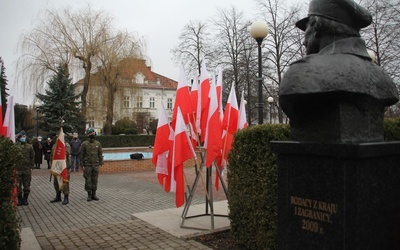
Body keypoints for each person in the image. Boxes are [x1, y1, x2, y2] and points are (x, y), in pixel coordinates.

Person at [279, 0, 398, 142]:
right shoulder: (383, 78)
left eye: (306, 29)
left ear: (316, 27)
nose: (304, 41)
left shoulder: (301, 74)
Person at [80, 128, 103, 201]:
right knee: (88, 180)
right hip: (88, 165)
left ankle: (94, 194)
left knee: (95, 180)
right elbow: (81, 155)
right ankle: (89, 195)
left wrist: (100, 162)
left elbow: (100, 154)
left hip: (95, 165)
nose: (92, 135)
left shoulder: (98, 143)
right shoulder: (84, 144)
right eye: (91, 134)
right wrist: (82, 165)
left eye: (93, 133)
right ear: (88, 135)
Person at [15, 130, 34, 206]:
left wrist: (32, 167)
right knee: (18, 186)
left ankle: (25, 199)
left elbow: (32, 157)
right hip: (18, 169)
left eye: (24, 136)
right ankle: (19, 200)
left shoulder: (29, 147)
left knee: (26, 186)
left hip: (26, 169)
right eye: (21, 137)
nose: (23, 138)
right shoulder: (16, 146)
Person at [50, 141, 71, 205]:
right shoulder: (54, 145)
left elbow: (66, 153)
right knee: (56, 183)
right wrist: (51, 165)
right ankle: (58, 196)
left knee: (65, 183)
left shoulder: (66, 144)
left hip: (64, 167)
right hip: (56, 167)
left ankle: (66, 197)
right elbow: (52, 155)